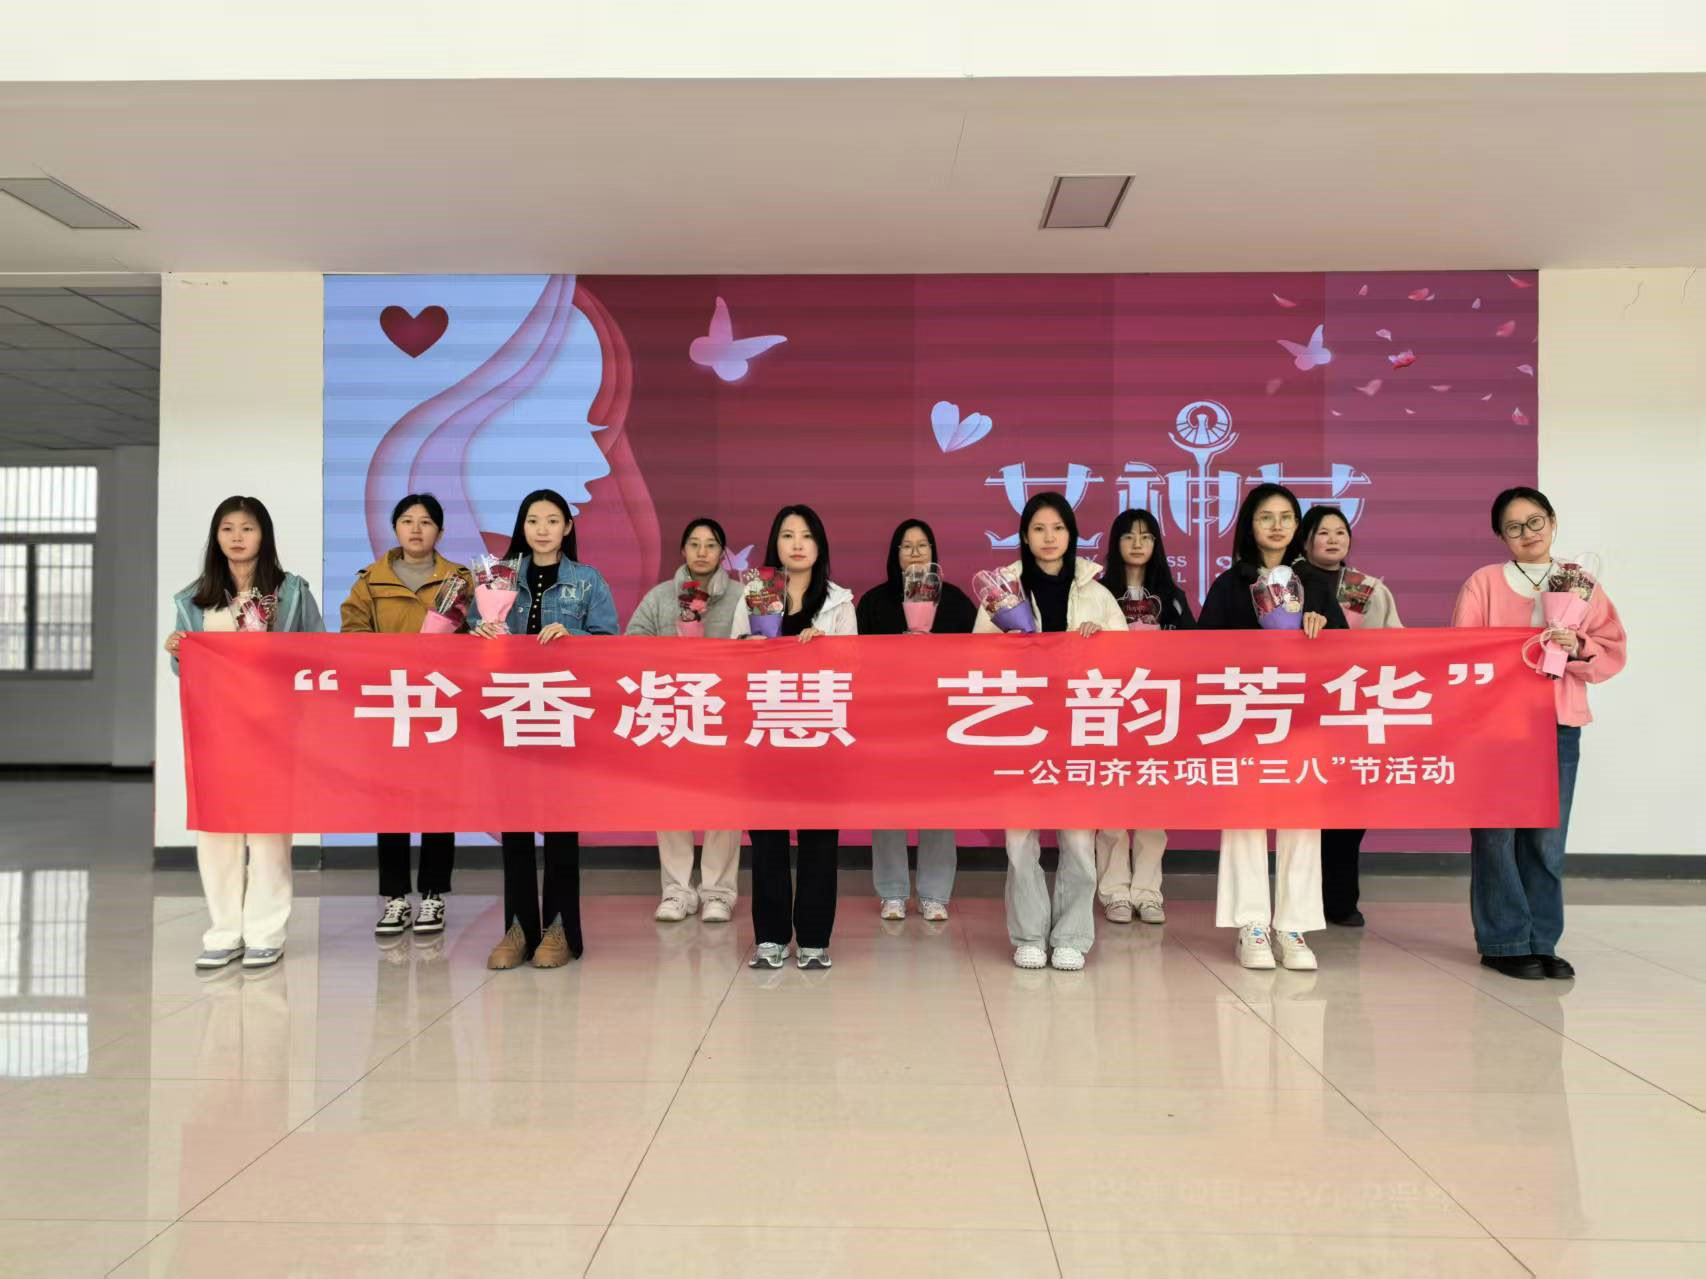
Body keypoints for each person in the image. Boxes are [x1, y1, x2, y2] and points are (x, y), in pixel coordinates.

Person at [1452, 486, 1625, 980]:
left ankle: (1542, 941)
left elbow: (1612, 648)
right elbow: (1461, 653)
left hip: (1557, 723)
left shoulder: (1579, 582)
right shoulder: (1484, 583)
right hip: (1496, 729)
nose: (1527, 533)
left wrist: (1577, 644)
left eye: (1534, 522)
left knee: (1547, 840)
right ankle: (1504, 941)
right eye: (1513, 527)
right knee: (1496, 836)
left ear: (1552, 522)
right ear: (1500, 536)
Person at [165, 496, 323, 971]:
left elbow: (318, 652)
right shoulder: (193, 598)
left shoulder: (291, 592)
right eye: (227, 529)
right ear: (216, 537)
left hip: (275, 730)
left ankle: (265, 932)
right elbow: (186, 671)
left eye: (247, 528)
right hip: (216, 731)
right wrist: (177, 651)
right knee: (217, 831)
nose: (237, 537)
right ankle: (223, 932)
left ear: (264, 536)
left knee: (270, 833)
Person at [974, 492, 1127, 970]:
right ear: (1024, 535)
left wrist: (1099, 643)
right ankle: (1028, 935)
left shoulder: (1097, 593)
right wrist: (1006, 647)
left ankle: (1072, 936)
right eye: (1039, 528)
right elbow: (976, 656)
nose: (1049, 537)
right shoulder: (1002, 590)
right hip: (1021, 728)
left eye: (1058, 528)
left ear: (1071, 534)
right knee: (1020, 840)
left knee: (1079, 841)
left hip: (1079, 726)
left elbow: (1127, 661)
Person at [470, 489, 620, 970]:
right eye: (533, 520)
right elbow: (471, 638)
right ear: (522, 525)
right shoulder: (498, 576)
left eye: (553, 520)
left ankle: (560, 929)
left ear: (567, 528)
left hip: (562, 713)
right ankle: (518, 927)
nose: (542, 529)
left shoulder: (587, 580)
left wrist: (574, 637)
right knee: (514, 826)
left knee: (560, 826)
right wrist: (478, 631)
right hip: (509, 711)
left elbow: (611, 645)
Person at [1197, 483, 1345, 971]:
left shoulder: (1316, 582)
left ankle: (1293, 926)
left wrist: (1321, 629)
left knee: (1302, 822)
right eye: (1266, 517)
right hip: (1243, 719)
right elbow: (1199, 652)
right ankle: (1252, 925)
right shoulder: (1229, 583)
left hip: (1302, 720)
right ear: (1249, 525)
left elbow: (1347, 653)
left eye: (1286, 517)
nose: (1277, 526)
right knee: (1245, 820)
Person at [339, 493, 476, 941]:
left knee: (439, 799)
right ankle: (395, 897)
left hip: (441, 702)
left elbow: (478, 636)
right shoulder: (370, 581)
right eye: (407, 520)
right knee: (391, 801)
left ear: (440, 530)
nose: (416, 529)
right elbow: (352, 634)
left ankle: (433, 893)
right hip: (391, 701)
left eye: (426, 522)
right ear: (395, 528)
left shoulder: (460, 580)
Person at [747, 504, 856, 971]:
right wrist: (749, 647)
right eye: (788, 535)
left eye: (806, 535)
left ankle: (813, 938)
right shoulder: (755, 593)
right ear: (775, 544)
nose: (797, 544)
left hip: (819, 736)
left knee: (819, 841)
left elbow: (853, 670)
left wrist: (825, 651)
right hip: (766, 733)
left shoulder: (839, 602)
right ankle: (770, 937)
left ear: (819, 545)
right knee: (767, 840)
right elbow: (731, 660)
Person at [626, 516, 751, 923]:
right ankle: (677, 890)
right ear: (682, 550)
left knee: (724, 807)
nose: (702, 552)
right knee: (671, 804)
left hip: (724, 714)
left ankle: (718, 892)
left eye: (711, 545)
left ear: (722, 553)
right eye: (694, 544)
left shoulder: (742, 596)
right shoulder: (661, 596)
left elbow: (758, 648)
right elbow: (632, 644)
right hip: (674, 712)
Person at [856, 517, 978, 922]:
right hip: (887, 721)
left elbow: (979, 656)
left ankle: (934, 893)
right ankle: (892, 892)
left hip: (942, 721)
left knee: (939, 809)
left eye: (922, 545)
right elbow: (856, 661)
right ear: (895, 554)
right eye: (906, 546)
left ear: (933, 552)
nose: (914, 553)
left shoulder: (956, 601)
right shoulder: (874, 602)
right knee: (887, 809)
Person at [1289, 505, 1402, 928]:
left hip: (1353, 711)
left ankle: (1340, 898)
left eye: (1341, 532)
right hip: (1299, 712)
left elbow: (1396, 644)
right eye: (1323, 532)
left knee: (1350, 809)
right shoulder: (1285, 583)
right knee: (1302, 809)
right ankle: (1298, 899)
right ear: (1305, 540)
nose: (1334, 539)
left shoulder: (1367, 588)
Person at [1093, 508, 1194, 926]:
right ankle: (1114, 890)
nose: (1138, 544)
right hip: (1109, 708)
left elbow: (1197, 650)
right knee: (1111, 808)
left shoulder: (1173, 596)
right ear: (1115, 543)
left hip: (1158, 712)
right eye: (1129, 536)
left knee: (1154, 807)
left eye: (1146, 536)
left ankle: (1148, 892)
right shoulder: (1097, 593)